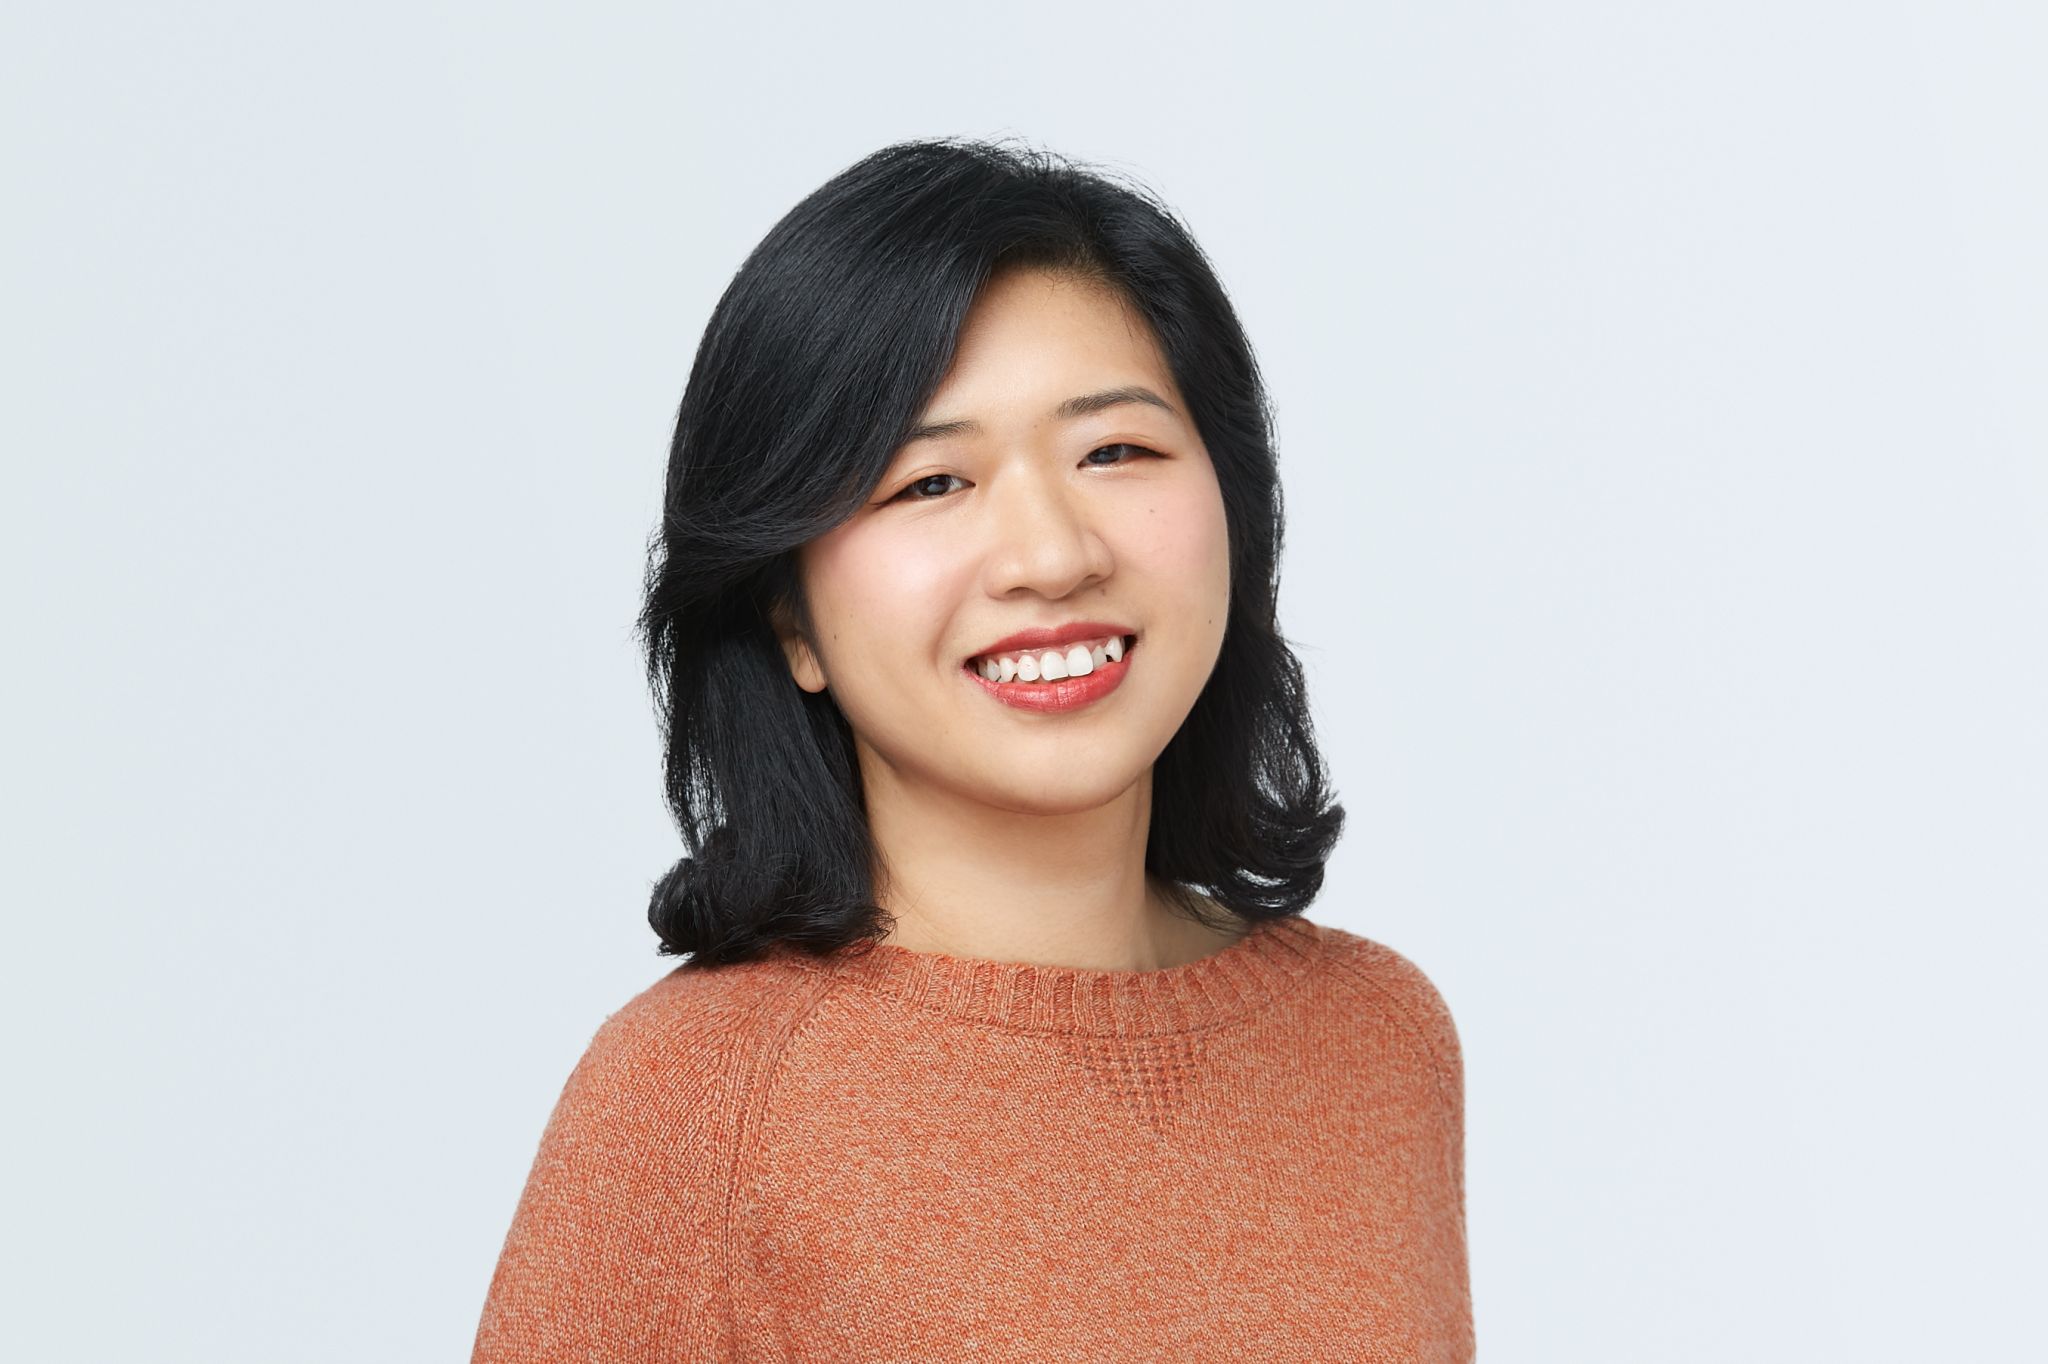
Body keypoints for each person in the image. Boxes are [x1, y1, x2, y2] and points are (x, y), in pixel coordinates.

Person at [470, 136, 1473, 1362]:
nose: (1052, 555)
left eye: (1113, 451)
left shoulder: (1375, 1038)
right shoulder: (696, 1102)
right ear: (789, 617)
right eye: (931, 482)